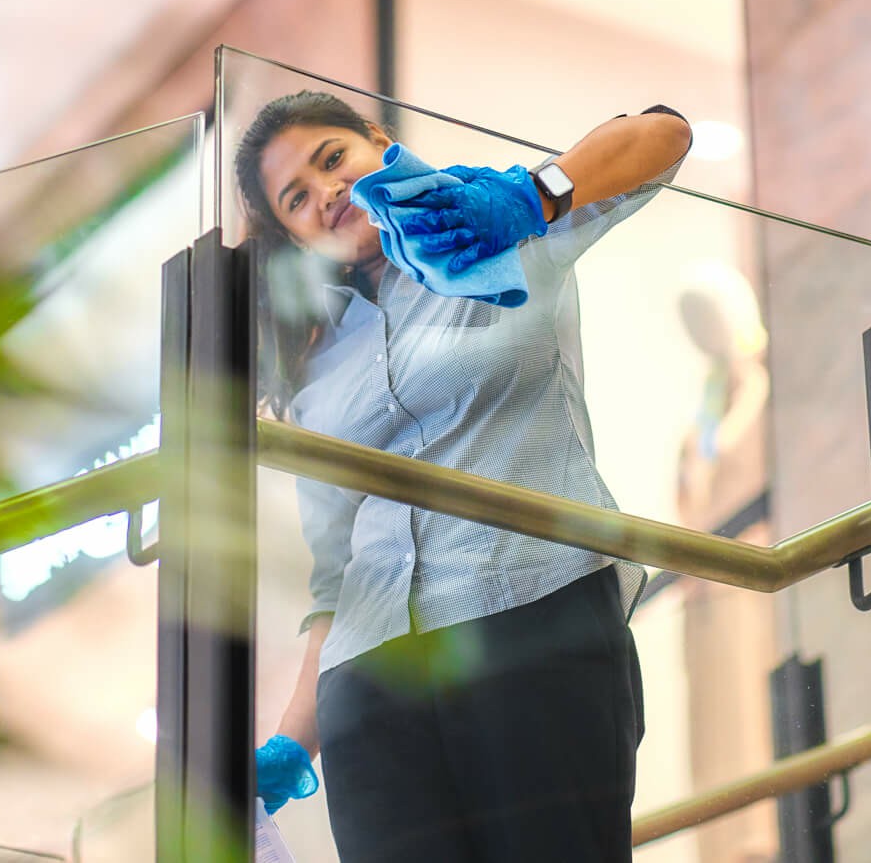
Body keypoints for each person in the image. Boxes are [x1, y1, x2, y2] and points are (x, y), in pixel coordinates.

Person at [234, 89, 691, 863]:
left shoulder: (494, 233)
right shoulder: (315, 370)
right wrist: (289, 743)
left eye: (332, 159)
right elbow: (334, 580)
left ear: (378, 141)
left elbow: (662, 136)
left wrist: (532, 198)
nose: (328, 195)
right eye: (297, 200)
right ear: (293, 238)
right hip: (368, 685)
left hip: (530, 618)